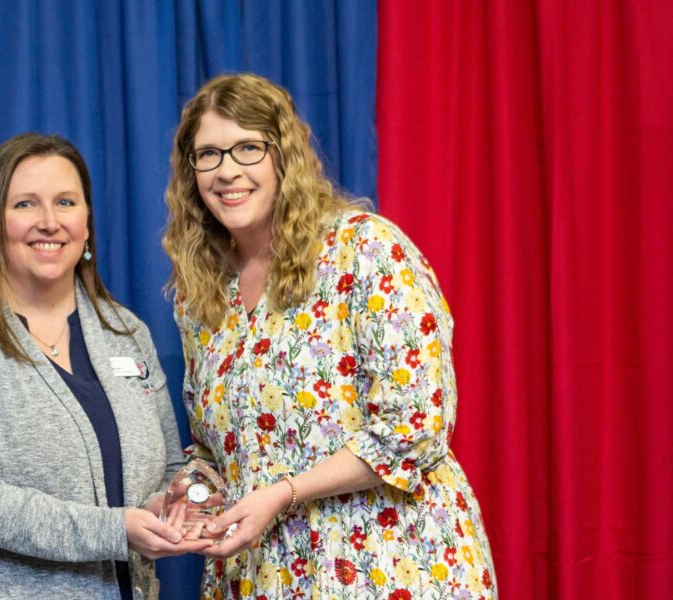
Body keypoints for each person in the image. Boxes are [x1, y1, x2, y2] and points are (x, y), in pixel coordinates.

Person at [163, 73, 497, 598]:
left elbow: (416, 424)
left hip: (389, 566)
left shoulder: (365, 251)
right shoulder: (202, 294)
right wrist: (195, 489)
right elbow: (218, 445)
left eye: (248, 148)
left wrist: (284, 493)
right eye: (208, 154)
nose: (227, 171)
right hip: (264, 575)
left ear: (284, 157)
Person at [0, 133, 210, 599]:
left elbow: (166, 468)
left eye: (66, 202)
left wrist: (165, 506)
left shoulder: (125, 331)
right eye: (26, 205)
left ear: (87, 223)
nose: (50, 222)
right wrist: (114, 529)